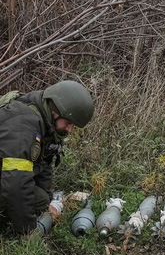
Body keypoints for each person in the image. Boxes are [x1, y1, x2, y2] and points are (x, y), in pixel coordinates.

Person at [0, 80, 94, 234]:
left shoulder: (44, 119)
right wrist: (28, 232)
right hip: (10, 179)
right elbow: (15, 183)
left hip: (6, 175)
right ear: (56, 110)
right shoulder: (23, 127)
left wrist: (47, 206)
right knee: (22, 196)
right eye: (68, 122)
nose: (70, 129)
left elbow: (43, 163)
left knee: (41, 200)